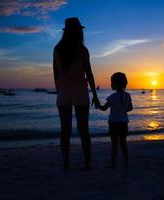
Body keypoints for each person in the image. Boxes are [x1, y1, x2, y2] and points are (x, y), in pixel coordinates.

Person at [53, 17, 99, 170]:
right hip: (80, 91)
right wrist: (95, 95)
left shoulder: (57, 49)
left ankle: (66, 165)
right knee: (83, 129)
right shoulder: (82, 50)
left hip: (64, 92)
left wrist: (59, 91)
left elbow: (55, 75)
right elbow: (89, 74)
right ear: (78, 31)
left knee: (65, 130)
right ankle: (87, 164)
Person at [97, 72, 133, 169]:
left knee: (114, 144)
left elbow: (104, 108)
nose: (111, 84)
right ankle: (126, 164)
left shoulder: (112, 97)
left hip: (113, 123)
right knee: (123, 144)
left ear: (116, 84)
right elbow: (130, 108)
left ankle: (113, 164)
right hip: (124, 122)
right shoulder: (127, 95)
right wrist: (122, 110)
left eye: (112, 82)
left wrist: (97, 105)